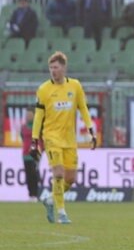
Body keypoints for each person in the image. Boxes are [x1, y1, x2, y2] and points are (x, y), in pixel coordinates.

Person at [30, 51, 97, 224]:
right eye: (51, 68)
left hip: (69, 139)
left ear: (64, 68)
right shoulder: (44, 89)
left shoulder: (74, 86)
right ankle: (62, 212)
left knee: (71, 178)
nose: (53, 71)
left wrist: (91, 130)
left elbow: (83, 108)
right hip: (51, 137)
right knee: (58, 173)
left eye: (56, 67)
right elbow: (38, 116)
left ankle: (51, 200)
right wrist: (34, 140)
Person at [21, 106, 42, 202]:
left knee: (34, 175)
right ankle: (30, 195)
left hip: (34, 154)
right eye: (27, 115)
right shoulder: (24, 127)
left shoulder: (37, 127)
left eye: (30, 115)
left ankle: (35, 194)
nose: (28, 117)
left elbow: (41, 140)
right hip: (25, 155)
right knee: (28, 175)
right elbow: (22, 138)